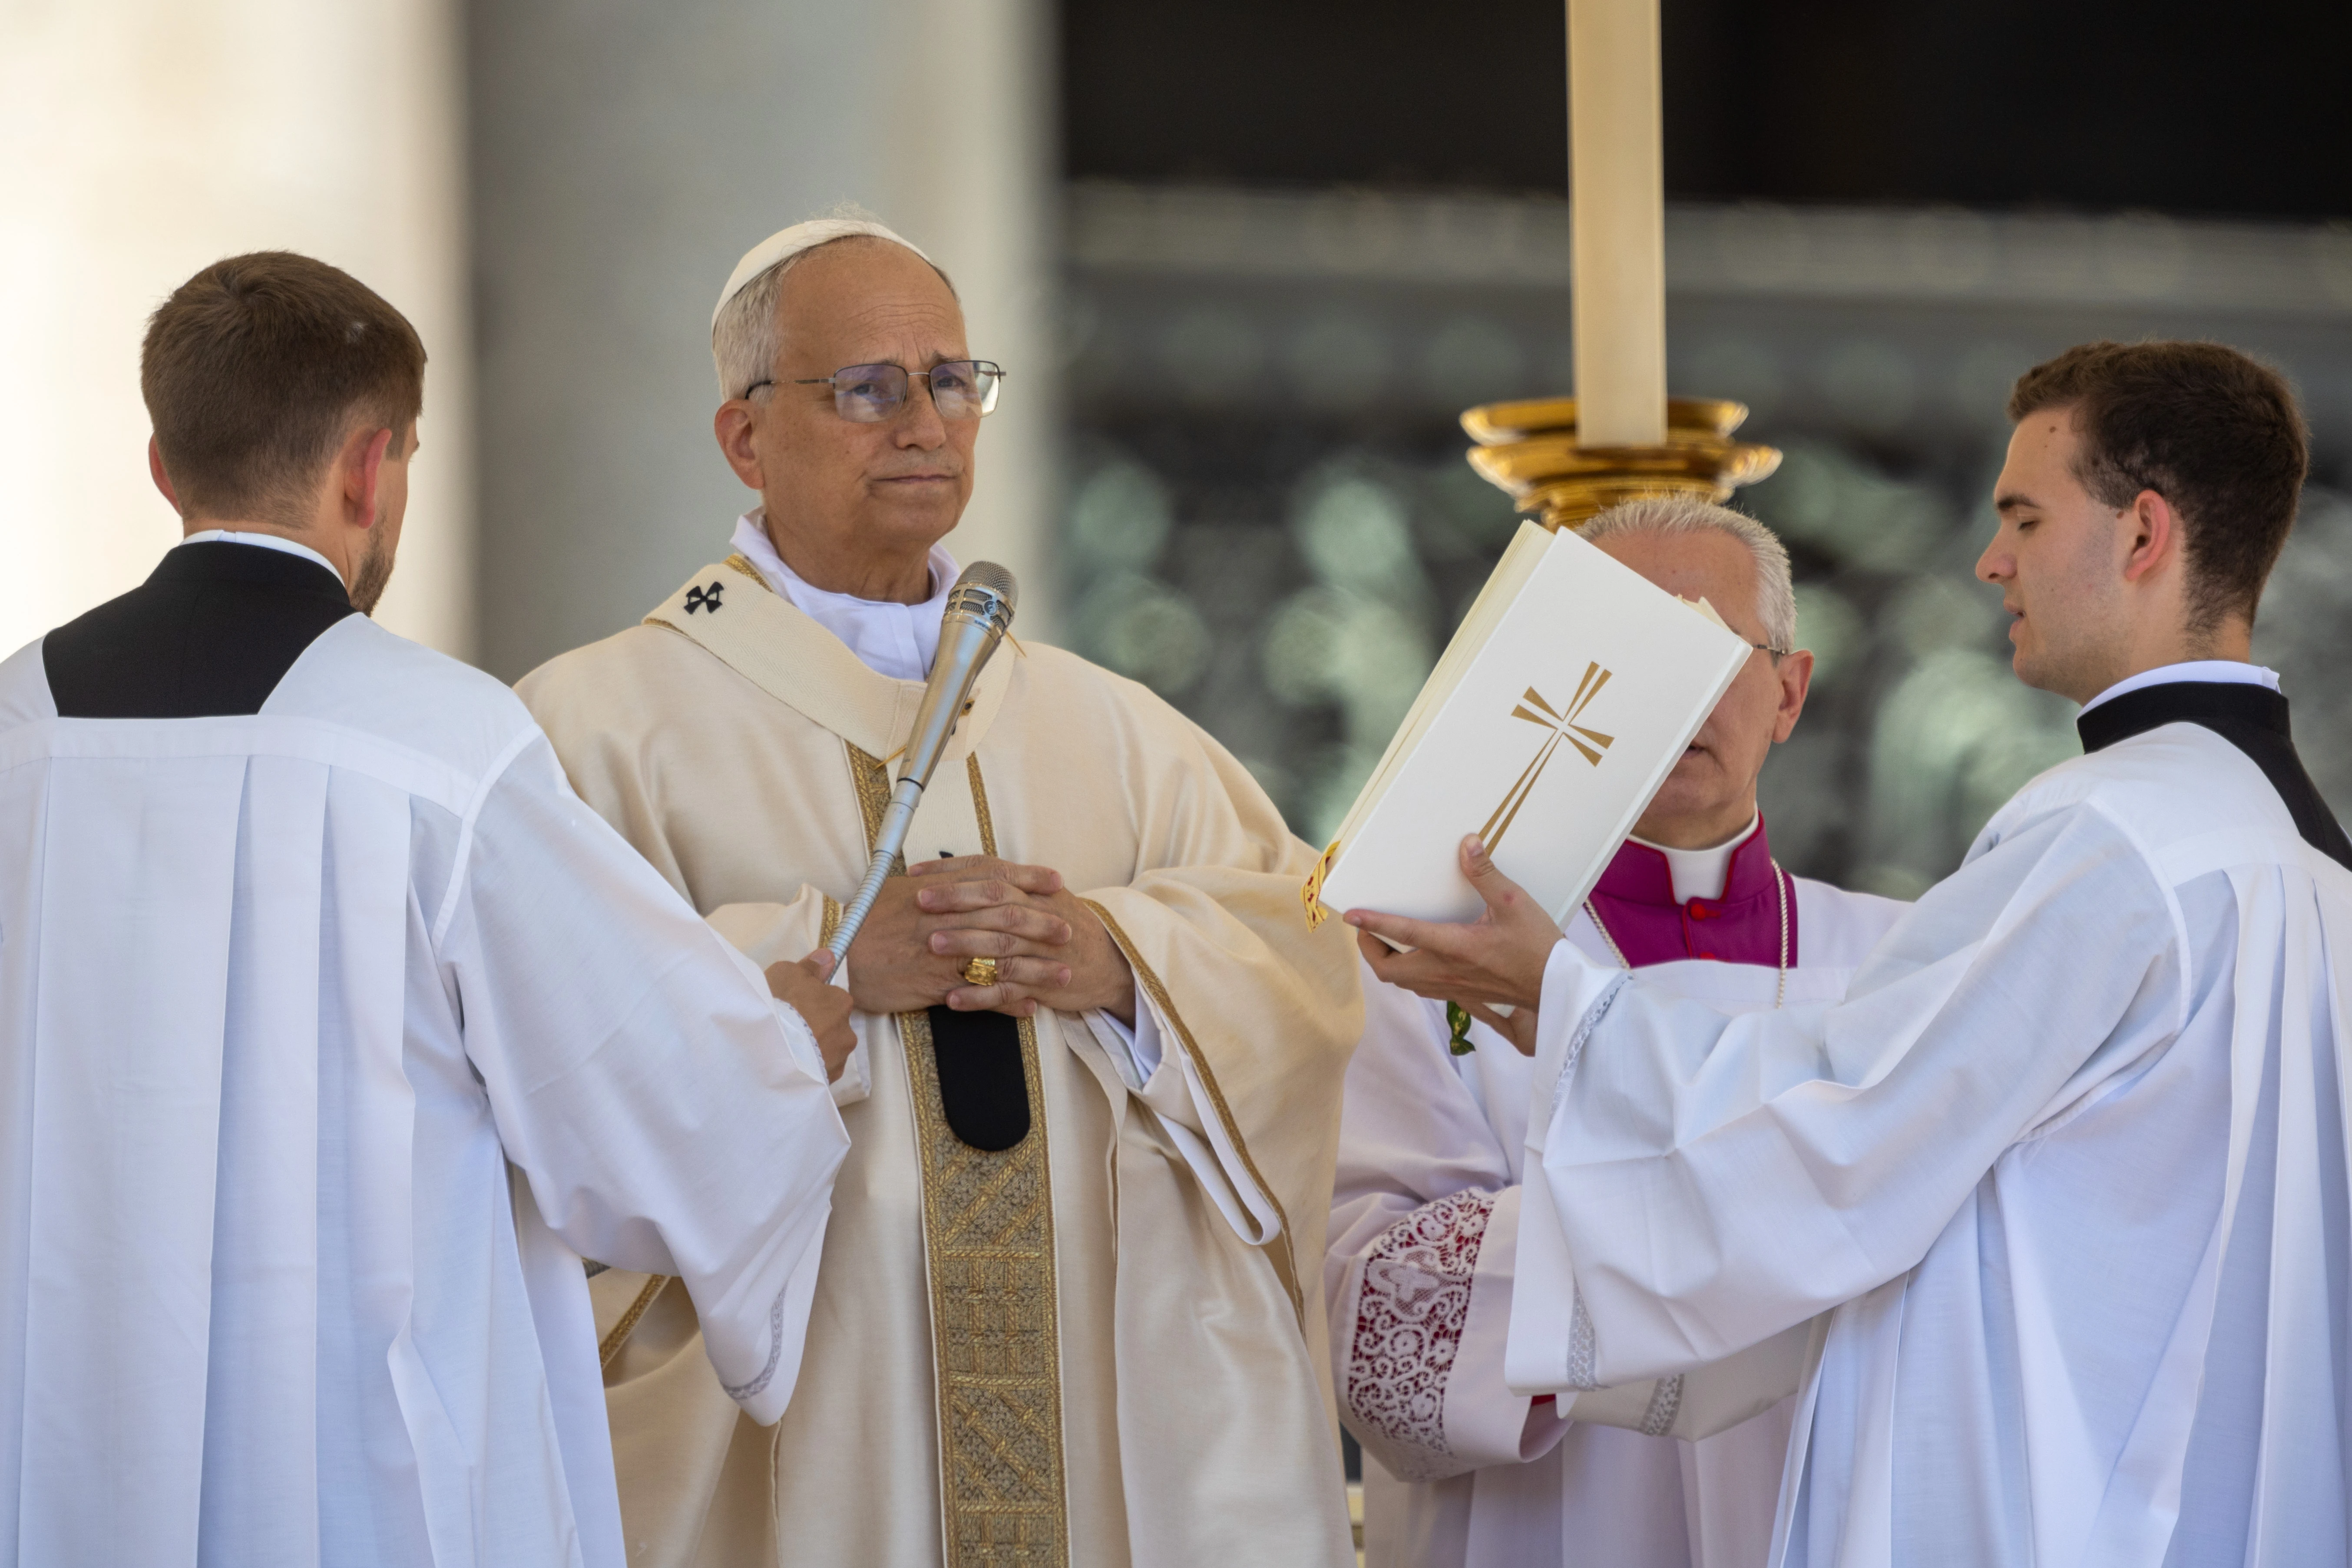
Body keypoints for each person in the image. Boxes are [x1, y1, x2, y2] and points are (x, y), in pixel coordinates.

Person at [1349, 340, 2352, 1566]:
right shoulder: (2301, 859)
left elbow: (1847, 1137)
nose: (1990, 561)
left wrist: (1563, 1002)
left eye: (2024, 519)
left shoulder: (2108, 836)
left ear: (2142, 536)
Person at [516, 214, 1364, 1568]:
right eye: (866, 388)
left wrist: (1125, 961)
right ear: (745, 437)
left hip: (1096, 1441)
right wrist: (824, 968)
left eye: (952, 380)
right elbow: (537, 1060)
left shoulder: (1117, 731)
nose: (924, 421)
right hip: (788, 1468)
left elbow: (1309, 964)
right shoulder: (597, 730)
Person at [0, 251, 857, 1568]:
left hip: (48, 1462)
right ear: (368, 468)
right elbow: (654, 1103)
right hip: (354, 1493)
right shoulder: (435, 745)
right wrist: (784, 1040)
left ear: (165, 469)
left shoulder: (14, 730)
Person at [1327, 497, 1904, 1568]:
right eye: (1635, 648)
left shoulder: (1901, 969)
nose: (1674, 691)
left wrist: (1625, 1237)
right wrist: (1768, 1225)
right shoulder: (1432, 967)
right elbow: (1373, 1317)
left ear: (1788, 691)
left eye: (1712, 648)